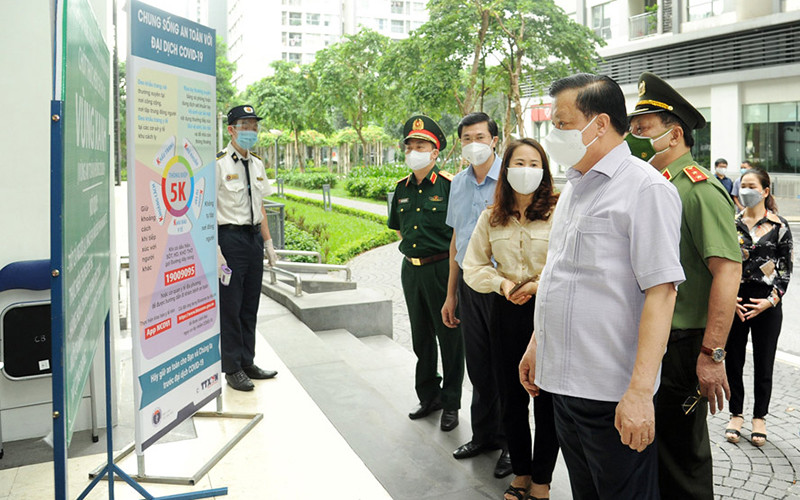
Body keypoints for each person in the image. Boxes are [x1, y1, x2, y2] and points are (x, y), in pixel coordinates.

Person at [518, 73, 685, 499]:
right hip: (562, 385)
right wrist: (539, 343)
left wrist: (639, 393)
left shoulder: (645, 189)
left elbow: (662, 293)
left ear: (600, 123)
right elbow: (560, 275)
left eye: (562, 123)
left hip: (611, 393)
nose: (553, 135)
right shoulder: (574, 187)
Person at [627, 72, 742, 499]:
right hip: (650, 340)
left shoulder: (697, 190)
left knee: (681, 457)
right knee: (649, 451)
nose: (633, 136)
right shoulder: (652, 186)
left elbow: (728, 272)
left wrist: (713, 355)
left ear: (674, 135)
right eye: (633, 129)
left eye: (642, 129)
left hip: (681, 346)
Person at [463, 138, 559, 500]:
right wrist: (502, 284)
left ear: (544, 170)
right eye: (519, 163)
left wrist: (536, 286)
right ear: (506, 169)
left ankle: (542, 481)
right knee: (511, 397)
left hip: (547, 311)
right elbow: (473, 265)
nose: (526, 170)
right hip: (505, 311)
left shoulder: (559, 210)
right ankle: (521, 472)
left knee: (547, 399)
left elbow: (569, 262)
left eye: (534, 163)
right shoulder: (492, 215)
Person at [440, 112, 511, 476]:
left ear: (495, 139)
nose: (473, 144)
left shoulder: (512, 179)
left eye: (480, 137)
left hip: (503, 289)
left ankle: (512, 445)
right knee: (480, 368)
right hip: (470, 286)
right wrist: (451, 295)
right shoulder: (459, 184)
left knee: (506, 370)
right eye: (466, 138)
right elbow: (457, 241)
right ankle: (484, 435)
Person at [388, 114, 465, 431]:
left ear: (435, 153)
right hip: (412, 271)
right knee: (421, 338)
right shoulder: (401, 188)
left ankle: (451, 403)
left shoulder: (449, 186)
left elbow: (460, 234)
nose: (414, 150)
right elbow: (398, 229)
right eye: (410, 145)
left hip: (441, 270)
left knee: (449, 338)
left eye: (422, 145)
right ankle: (428, 396)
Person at [724, 168, 793, 447]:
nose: (745, 191)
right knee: (733, 361)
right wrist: (729, 301)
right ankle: (736, 414)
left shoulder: (780, 226)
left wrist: (770, 301)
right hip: (737, 301)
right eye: (742, 186)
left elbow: (785, 271)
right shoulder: (732, 223)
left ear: (765, 191)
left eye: (752, 186)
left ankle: (759, 418)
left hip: (767, 303)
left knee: (764, 363)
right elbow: (724, 266)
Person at [216, 104, 280, 392]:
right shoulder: (217, 164)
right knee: (231, 306)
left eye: (254, 126)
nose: (251, 131)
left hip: (253, 240)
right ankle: (231, 367)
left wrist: (268, 244)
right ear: (231, 129)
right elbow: (206, 210)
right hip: (228, 241)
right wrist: (215, 249)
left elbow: (261, 207)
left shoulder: (257, 164)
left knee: (249, 306)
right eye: (245, 125)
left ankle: (247, 362)